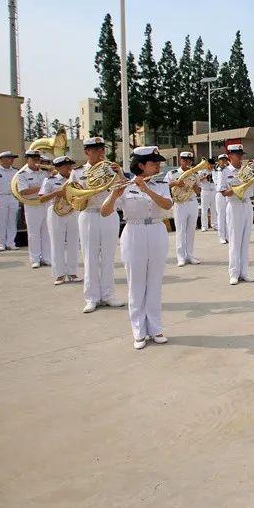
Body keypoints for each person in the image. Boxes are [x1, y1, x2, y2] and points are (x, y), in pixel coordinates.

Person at [102, 146, 173, 349]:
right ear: (141, 165)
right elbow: (106, 211)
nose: (158, 165)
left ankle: (155, 328)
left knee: (155, 283)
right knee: (136, 284)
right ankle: (139, 330)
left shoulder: (160, 183)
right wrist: (115, 194)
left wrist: (147, 189)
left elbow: (167, 205)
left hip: (157, 230)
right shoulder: (125, 185)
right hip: (134, 232)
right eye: (153, 163)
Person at [70, 137, 125, 313]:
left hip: (109, 215)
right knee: (90, 257)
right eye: (95, 150)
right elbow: (73, 195)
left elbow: (122, 191)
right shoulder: (78, 172)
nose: (100, 153)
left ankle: (108, 295)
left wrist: (120, 174)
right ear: (87, 152)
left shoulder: (111, 169)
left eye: (102, 150)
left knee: (108, 257)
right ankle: (91, 297)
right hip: (89, 214)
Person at [219, 144, 254, 285]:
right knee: (235, 241)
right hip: (234, 205)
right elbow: (223, 192)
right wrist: (237, 189)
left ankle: (244, 272)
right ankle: (233, 273)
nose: (240, 157)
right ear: (230, 156)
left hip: (247, 204)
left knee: (245, 241)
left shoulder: (247, 169)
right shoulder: (225, 172)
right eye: (237, 154)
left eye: (241, 154)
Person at [38, 156, 80, 285]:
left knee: (74, 242)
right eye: (65, 166)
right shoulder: (50, 180)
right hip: (56, 212)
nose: (69, 168)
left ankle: (72, 272)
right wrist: (57, 192)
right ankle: (59, 274)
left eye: (70, 165)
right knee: (57, 243)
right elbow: (42, 198)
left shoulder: (75, 179)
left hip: (73, 211)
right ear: (57, 167)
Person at [164, 151, 201, 266]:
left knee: (191, 231)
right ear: (180, 160)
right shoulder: (172, 173)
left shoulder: (195, 174)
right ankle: (181, 257)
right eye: (184, 160)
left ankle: (190, 255)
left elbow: (199, 191)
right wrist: (174, 183)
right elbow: (164, 186)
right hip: (180, 204)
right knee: (180, 230)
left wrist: (195, 187)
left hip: (192, 202)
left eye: (189, 160)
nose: (187, 162)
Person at [17, 150, 52, 268]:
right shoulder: (22, 174)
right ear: (28, 159)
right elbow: (24, 191)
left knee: (46, 232)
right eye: (33, 158)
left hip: (45, 204)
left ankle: (47, 257)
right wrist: (41, 187)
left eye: (38, 159)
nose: (36, 161)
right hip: (32, 205)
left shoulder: (45, 173)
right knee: (34, 233)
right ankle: (35, 259)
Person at [213, 154, 231, 244]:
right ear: (218, 161)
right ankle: (222, 237)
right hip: (220, 194)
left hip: (228, 194)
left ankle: (228, 235)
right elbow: (217, 183)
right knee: (220, 216)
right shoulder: (215, 171)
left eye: (225, 160)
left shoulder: (229, 170)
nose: (224, 162)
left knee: (228, 215)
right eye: (222, 160)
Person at [198, 159, 217, 231]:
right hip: (205, 191)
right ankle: (204, 226)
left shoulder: (215, 171)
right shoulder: (202, 171)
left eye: (213, 165)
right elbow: (198, 180)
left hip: (213, 190)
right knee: (204, 209)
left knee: (214, 209)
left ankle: (214, 224)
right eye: (210, 165)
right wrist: (205, 177)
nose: (212, 166)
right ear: (207, 164)